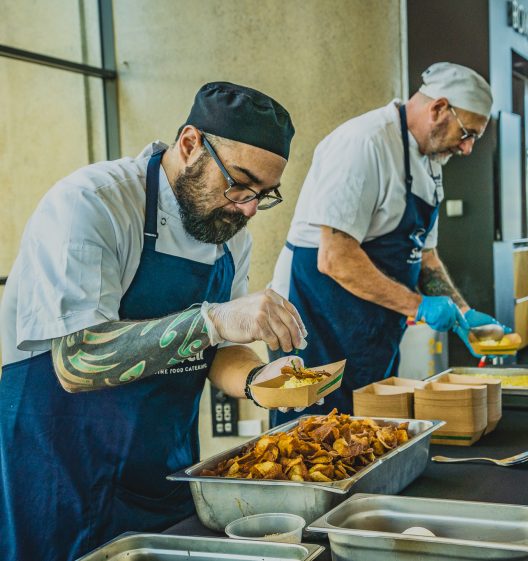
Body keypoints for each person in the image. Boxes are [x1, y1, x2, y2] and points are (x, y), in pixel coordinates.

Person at [0, 82, 309, 561]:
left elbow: (218, 349)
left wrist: (257, 378)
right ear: (189, 145)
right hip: (59, 465)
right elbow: (78, 360)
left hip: (157, 464)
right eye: (239, 182)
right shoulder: (93, 204)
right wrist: (213, 320)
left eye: (264, 195)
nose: (248, 207)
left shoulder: (228, 233)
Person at [269, 62, 509, 427]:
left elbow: (424, 255)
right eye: (467, 133)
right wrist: (420, 306)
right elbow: (335, 258)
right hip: (316, 321)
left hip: (372, 327)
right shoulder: (364, 143)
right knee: (312, 440)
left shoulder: (430, 162)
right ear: (438, 108)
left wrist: (462, 313)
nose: (468, 147)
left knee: (369, 436)